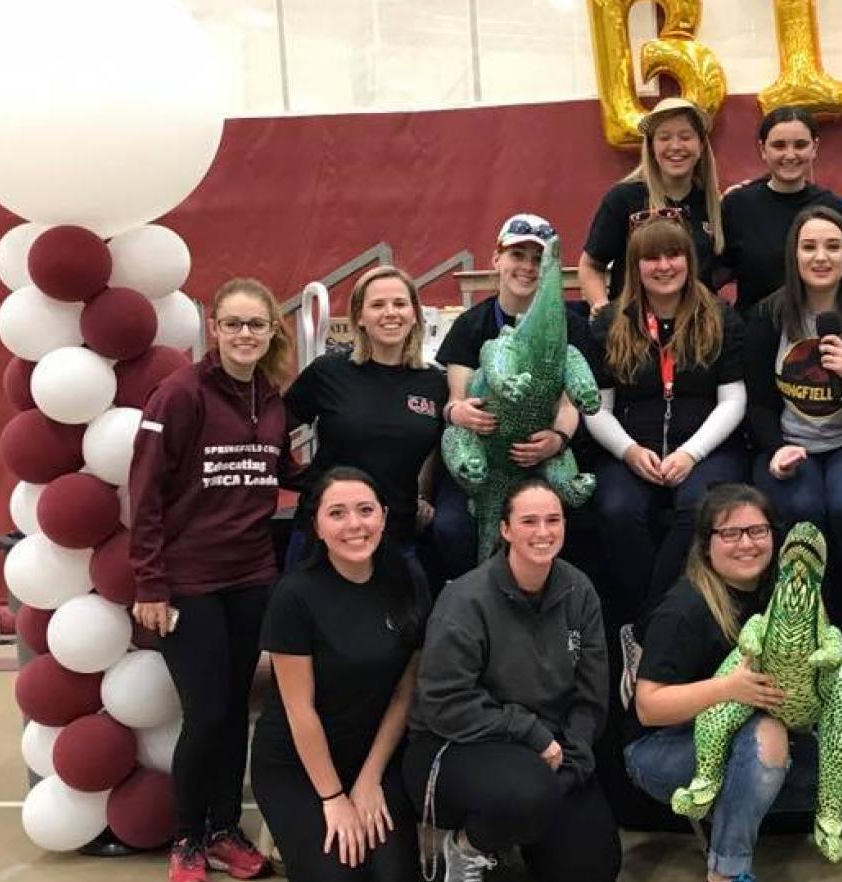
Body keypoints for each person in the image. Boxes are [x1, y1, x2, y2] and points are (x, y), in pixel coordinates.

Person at [128, 277, 295, 882]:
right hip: (187, 583)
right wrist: (151, 584)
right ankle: (186, 840)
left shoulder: (273, 399)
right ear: (215, 330)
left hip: (251, 576)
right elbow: (143, 496)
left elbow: (292, 469)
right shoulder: (179, 394)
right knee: (207, 713)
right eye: (234, 324)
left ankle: (224, 830)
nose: (245, 335)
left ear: (273, 329)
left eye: (256, 324)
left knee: (234, 712)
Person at [403, 479, 619, 882]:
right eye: (529, 521)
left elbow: (591, 698)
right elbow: (445, 703)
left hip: (550, 752)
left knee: (594, 867)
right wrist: (530, 732)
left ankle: (519, 834)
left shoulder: (579, 590)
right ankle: (466, 847)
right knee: (528, 793)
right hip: (456, 745)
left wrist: (571, 764)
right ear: (504, 529)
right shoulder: (465, 600)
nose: (543, 532)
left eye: (553, 520)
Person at [742, 205, 842, 716]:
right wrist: (775, 449)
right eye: (809, 246)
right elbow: (759, 403)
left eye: (833, 246)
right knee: (805, 511)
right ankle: (808, 641)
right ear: (794, 254)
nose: (821, 256)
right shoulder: (768, 316)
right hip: (791, 444)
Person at [625, 483, 816, 882]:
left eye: (757, 531)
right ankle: (727, 872)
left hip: (739, 733)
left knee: (827, 773)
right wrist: (729, 687)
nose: (746, 543)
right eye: (730, 533)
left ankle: (730, 820)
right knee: (766, 735)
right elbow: (648, 707)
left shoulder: (780, 594)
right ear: (706, 544)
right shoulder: (684, 609)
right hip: (660, 748)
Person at [250, 467, 427, 881]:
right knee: (341, 874)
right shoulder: (294, 595)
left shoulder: (408, 579)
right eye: (337, 514)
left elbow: (406, 691)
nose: (354, 525)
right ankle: (291, 835)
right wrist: (333, 798)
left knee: (392, 876)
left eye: (365, 510)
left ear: (383, 516)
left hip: (373, 758)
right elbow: (300, 711)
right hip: (298, 764)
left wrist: (368, 781)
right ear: (317, 525)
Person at [585, 214, 748, 624]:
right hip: (629, 447)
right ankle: (653, 621)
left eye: (673, 255)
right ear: (634, 266)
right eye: (651, 257)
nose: (663, 266)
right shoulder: (609, 322)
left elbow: (733, 400)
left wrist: (692, 453)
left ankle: (654, 624)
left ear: (689, 261)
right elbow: (595, 408)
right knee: (617, 509)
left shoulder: (720, 316)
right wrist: (628, 451)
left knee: (699, 507)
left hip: (706, 447)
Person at [430, 214, 594, 581]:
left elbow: (570, 404)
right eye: (517, 254)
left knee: (574, 520)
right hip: (485, 453)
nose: (527, 267)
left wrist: (557, 439)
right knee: (451, 526)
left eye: (538, 259)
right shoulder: (471, 324)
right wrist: (462, 414)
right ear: (496, 259)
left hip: (537, 456)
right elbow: (454, 401)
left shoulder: (572, 327)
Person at [284, 265, 446, 571]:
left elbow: (438, 447)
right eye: (377, 305)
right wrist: (299, 478)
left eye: (400, 304)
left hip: (396, 536)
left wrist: (425, 494)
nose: (390, 313)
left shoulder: (435, 384)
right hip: (323, 537)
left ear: (415, 314)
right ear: (359, 316)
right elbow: (273, 430)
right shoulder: (328, 372)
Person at [719, 106, 842, 315]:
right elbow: (716, 270)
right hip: (754, 336)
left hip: (819, 334)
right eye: (779, 145)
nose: (790, 154)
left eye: (800, 145)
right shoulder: (737, 205)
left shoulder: (832, 207)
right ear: (762, 149)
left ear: (814, 148)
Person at [580, 97, 725, 312]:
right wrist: (602, 308)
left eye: (685, 137)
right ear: (650, 146)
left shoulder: (714, 205)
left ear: (701, 145)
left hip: (699, 332)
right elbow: (591, 265)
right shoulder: (623, 199)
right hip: (635, 332)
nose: (675, 146)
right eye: (664, 138)